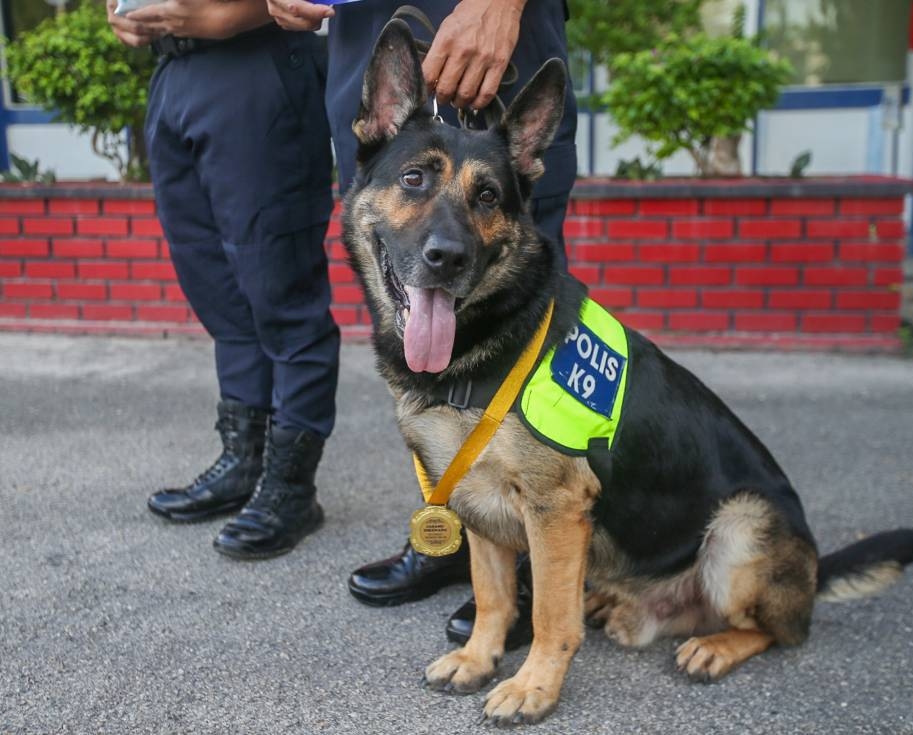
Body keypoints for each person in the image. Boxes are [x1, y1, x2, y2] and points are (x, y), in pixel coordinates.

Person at [266, 0, 578, 645]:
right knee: (413, 285)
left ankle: (533, 561)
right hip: (364, 33)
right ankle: (449, 532)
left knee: (519, 328)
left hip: (496, 34)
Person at [107, 0, 340, 560]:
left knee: (280, 287)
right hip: (173, 76)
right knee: (217, 288)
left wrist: (234, 13)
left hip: (256, 69)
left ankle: (290, 488)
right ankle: (243, 464)